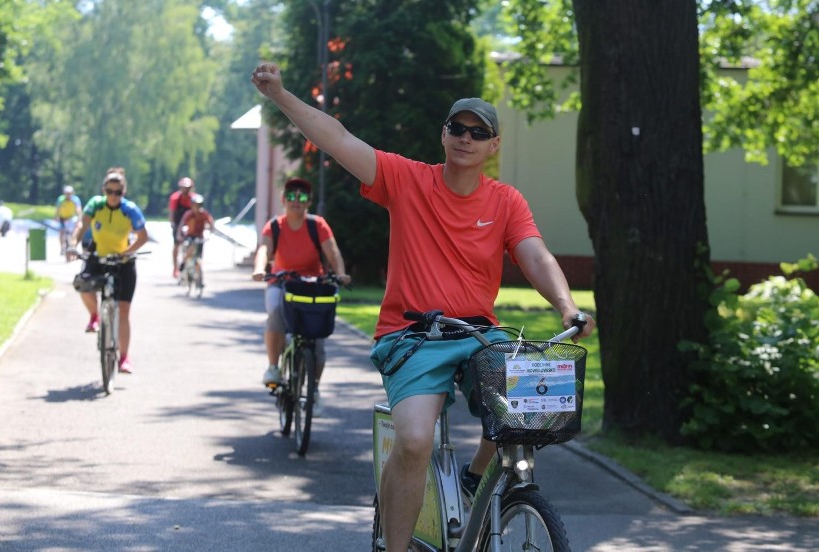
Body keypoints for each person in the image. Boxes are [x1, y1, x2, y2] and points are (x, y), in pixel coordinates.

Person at [251, 63, 596, 551]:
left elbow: (534, 254)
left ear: (493, 145)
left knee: (525, 406)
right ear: (444, 134)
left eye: (480, 133)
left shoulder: (506, 201)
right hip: (413, 334)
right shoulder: (406, 180)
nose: (466, 138)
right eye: (458, 127)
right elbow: (338, 139)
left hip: (479, 333)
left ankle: (476, 477)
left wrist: (567, 306)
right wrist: (281, 95)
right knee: (414, 440)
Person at [251, 177, 351, 415]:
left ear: (309, 202)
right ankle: (274, 367)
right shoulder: (274, 226)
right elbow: (264, 250)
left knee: (317, 343)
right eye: (292, 196)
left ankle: (313, 389)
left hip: (312, 284)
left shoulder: (318, 225)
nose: (297, 200)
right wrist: (259, 269)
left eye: (303, 196)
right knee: (275, 312)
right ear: (283, 200)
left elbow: (333, 251)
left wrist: (341, 274)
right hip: (282, 282)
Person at [68, 167, 148, 374]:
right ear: (104, 190)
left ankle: (124, 357)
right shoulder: (95, 205)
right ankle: (95, 315)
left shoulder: (129, 209)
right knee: (83, 285)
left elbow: (142, 237)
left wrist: (127, 252)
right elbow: (81, 227)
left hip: (123, 261)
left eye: (118, 192)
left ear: (124, 192)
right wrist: (72, 244)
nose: (113, 196)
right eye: (109, 191)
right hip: (98, 256)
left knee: (123, 311)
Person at [176, 193, 215, 286]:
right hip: (190, 236)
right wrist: (179, 235)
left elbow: (211, 224)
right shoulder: (188, 214)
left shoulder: (204, 214)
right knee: (189, 251)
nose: (196, 207)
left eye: (198, 205)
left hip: (200, 237)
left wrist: (210, 232)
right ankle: (183, 264)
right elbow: (182, 225)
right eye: (195, 205)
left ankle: (199, 279)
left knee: (199, 258)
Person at [169, 176, 195, 278]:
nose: (186, 189)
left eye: (188, 187)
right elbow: (172, 212)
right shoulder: (175, 197)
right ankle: (175, 268)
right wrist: (172, 224)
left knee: (193, 244)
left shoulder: (194, 198)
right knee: (176, 245)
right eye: (184, 187)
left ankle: (185, 263)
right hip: (177, 223)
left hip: (189, 224)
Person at [55, 185, 82, 255]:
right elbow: (58, 209)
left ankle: (73, 245)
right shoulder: (61, 199)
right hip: (62, 218)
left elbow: (78, 209)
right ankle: (62, 247)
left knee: (75, 231)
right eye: (67, 193)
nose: (68, 195)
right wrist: (56, 216)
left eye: (70, 193)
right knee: (61, 232)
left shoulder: (75, 199)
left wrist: (79, 218)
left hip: (71, 218)